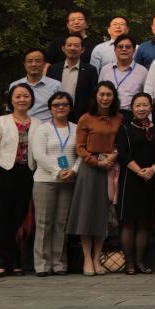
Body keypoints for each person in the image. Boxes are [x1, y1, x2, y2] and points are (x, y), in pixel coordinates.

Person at [67, 81, 123, 276]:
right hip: (90, 169)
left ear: (114, 97)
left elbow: (121, 143)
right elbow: (80, 147)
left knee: (102, 215)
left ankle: (98, 257)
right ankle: (87, 258)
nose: (105, 98)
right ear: (95, 97)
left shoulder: (119, 118)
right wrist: (96, 162)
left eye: (109, 94)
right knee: (87, 213)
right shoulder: (86, 118)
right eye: (102, 94)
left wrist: (113, 157)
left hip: (110, 168)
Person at [0, 82, 36, 277]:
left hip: (27, 173)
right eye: (18, 96)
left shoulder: (38, 123)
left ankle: (16, 261)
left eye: (26, 96)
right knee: (0, 217)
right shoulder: (1, 121)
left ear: (31, 99)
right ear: (11, 100)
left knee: (19, 217)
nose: (22, 99)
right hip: (4, 172)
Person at [28, 90, 78, 276]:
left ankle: (59, 263)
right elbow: (39, 155)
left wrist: (74, 170)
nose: (60, 107)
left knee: (61, 223)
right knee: (44, 223)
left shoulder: (76, 128)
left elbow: (81, 153)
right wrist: (58, 171)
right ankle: (42, 264)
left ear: (70, 108)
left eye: (64, 104)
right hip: (45, 181)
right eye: (56, 105)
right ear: (50, 108)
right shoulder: (43, 129)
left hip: (69, 181)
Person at [116, 92, 155, 274]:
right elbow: (123, 154)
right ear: (132, 108)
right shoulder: (125, 128)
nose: (142, 109)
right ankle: (129, 263)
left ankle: (140, 261)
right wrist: (139, 171)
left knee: (143, 222)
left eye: (145, 105)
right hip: (130, 178)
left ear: (151, 108)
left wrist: (153, 169)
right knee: (128, 222)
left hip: (150, 178)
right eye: (138, 105)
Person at [47, 33, 98, 121]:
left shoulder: (90, 70)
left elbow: (93, 96)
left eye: (76, 46)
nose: (72, 48)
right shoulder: (53, 69)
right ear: (63, 48)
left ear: (82, 49)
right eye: (69, 45)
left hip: (81, 117)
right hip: (56, 115)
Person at [10, 47, 61, 124]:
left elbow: (60, 110)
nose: (33, 64)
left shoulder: (56, 85)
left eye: (38, 61)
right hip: (20, 127)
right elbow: (11, 110)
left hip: (46, 128)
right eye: (29, 61)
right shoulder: (15, 85)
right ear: (24, 64)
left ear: (44, 64)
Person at [100, 35, 148, 112]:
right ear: (115, 50)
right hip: (108, 113)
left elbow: (146, 97)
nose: (124, 49)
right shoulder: (105, 69)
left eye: (128, 47)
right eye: (120, 47)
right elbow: (99, 93)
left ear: (134, 50)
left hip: (131, 114)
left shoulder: (143, 71)